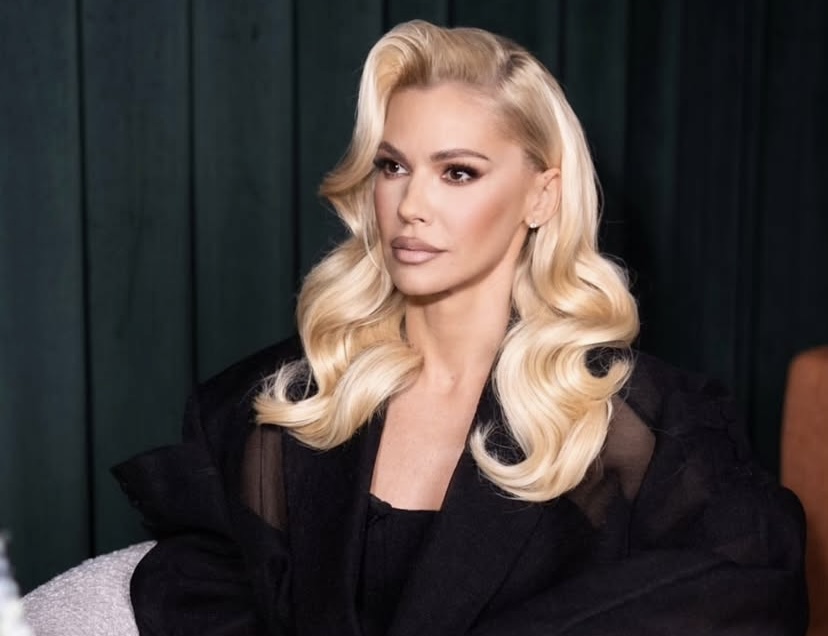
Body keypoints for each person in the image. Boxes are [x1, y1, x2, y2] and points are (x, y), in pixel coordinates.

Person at [113, 20, 808, 636]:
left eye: (458, 173)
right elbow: (193, 585)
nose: (410, 204)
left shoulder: (643, 426)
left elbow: (751, 590)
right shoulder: (271, 409)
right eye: (393, 167)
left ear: (541, 196)